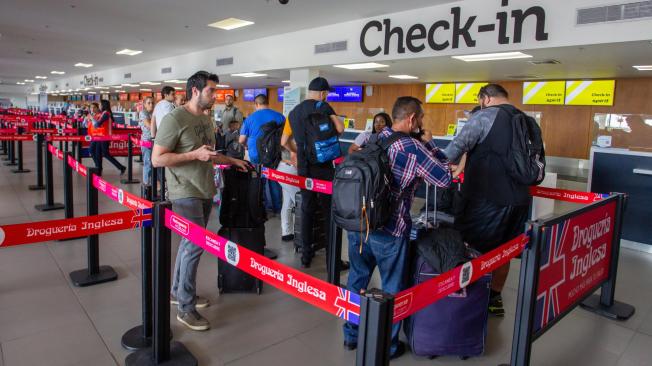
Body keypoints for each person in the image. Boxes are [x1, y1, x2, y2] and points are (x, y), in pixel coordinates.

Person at [342, 96, 453, 359]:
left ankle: (351, 335)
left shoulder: (374, 139)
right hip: (390, 231)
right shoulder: (412, 147)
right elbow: (445, 177)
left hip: (359, 224)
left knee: (357, 278)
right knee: (392, 289)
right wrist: (430, 144)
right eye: (421, 118)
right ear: (412, 119)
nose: (423, 122)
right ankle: (387, 345)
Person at [152, 71, 248, 331]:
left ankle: (176, 292)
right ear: (195, 91)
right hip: (184, 191)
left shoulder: (206, 120)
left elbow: (209, 155)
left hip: (205, 189)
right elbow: (157, 159)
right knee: (195, 246)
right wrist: (193, 154)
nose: (215, 96)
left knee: (188, 246)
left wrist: (232, 161)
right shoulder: (175, 119)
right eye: (211, 91)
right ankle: (186, 307)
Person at [443, 83, 531, 317]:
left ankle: (470, 298)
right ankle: (494, 298)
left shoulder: (483, 116)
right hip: (520, 199)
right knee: (505, 250)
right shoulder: (527, 120)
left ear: (485, 98)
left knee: (471, 246)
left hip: (486, 199)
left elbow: (455, 149)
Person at [281, 77, 344, 268]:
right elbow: (340, 129)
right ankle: (331, 259)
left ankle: (306, 256)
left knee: (306, 208)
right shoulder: (324, 107)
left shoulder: (293, 112)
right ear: (323, 93)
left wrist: (296, 151)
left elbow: (283, 141)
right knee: (328, 210)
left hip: (304, 168)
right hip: (324, 166)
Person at [239, 94, 285, 216]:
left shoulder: (249, 119)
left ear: (256, 104)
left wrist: (245, 146)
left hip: (256, 156)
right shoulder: (280, 116)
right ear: (267, 102)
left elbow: (241, 140)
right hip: (274, 155)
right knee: (274, 180)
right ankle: (277, 208)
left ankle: (263, 209)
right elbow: (285, 138)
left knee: (259, 181)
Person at [87, 100, 126, 175]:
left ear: (103, 105)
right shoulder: (104, 113)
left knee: (105, 154)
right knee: (97, 153)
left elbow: (97, 124)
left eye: (100, 105)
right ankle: (98, 169)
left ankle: (121, 167)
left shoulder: (106, 114)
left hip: (105, 137)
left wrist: (92, 118)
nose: (99, 106)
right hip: (100, 136)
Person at [138, 96, 155, 183]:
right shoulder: (143, 113)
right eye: (148, 103)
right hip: (146, 141)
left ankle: (153, 184)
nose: (151, 105)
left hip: (154, 141)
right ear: (144, 104)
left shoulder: (154, 113)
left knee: (154, 164)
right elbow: (149, 125)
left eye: (152, 103)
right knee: (147, 163)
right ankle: (146, 185)